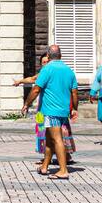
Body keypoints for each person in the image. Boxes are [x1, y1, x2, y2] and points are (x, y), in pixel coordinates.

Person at [20, 45, 79, 180]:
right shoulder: (69, 71)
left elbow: (36, 90)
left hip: (50, 111)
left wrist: (26, 103)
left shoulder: (47, 69)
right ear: (61, 55)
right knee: (49, 139)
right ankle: (45, 166)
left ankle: (63, 170)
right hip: (63, 111)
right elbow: (74, 92)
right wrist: (74, 108)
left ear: (48, 54)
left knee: (57, 139)